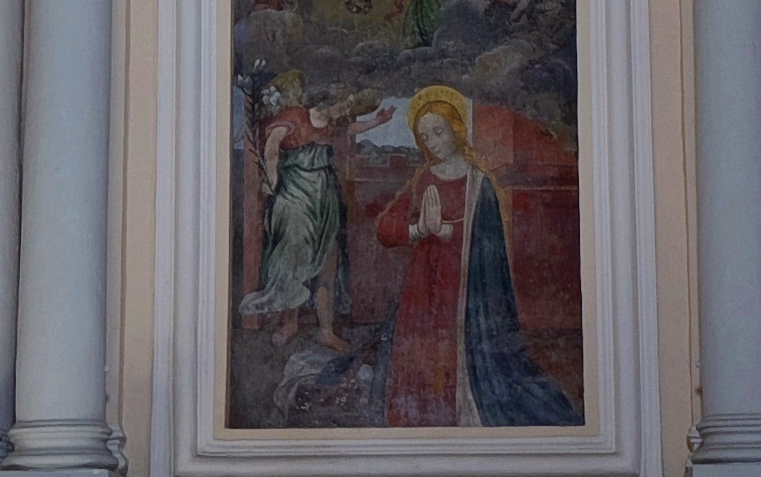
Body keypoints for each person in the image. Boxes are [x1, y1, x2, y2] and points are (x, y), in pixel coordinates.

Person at [368, 86, 578, 428]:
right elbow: (385, 228)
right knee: (422, 353)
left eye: (438, 132)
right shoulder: (423, 179)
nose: (433, 142)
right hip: (425, 289)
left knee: (467, 358)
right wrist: (418, 229)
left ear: (456, 129)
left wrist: (448, 232)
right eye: (425, 136)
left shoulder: (480, 183)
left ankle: (463, 408)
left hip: (468, 290)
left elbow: (490, 242)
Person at [244, 69, 350, 340]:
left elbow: (353, 128)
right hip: (294, 197)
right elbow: (272, 144)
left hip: (323, 198)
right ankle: (290, 324)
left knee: (327, 259)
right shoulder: (295, 116)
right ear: (327, 102)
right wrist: (272, 173)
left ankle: (326, 330)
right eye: (343, 104)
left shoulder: (330, 124)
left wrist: (378, 122)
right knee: (293, 262)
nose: (346, 110)